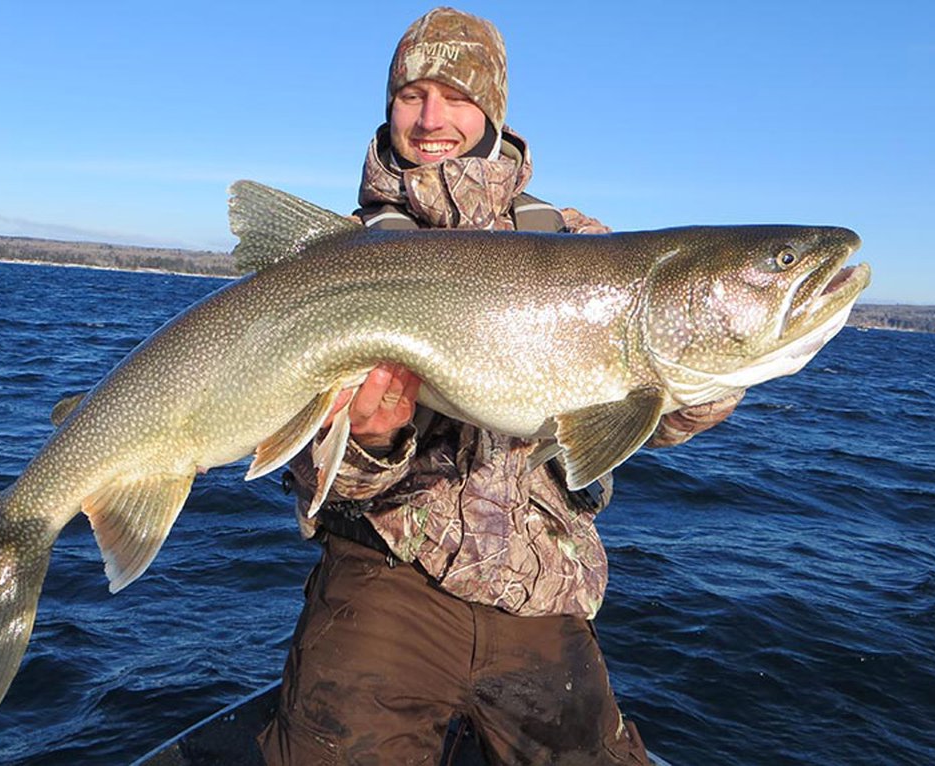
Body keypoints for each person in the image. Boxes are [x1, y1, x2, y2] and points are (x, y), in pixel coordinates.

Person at [258, 8, 743, 765]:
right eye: (410, 95)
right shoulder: (340, 253)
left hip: (540, 590)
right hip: (384, 583)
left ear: (493, 111)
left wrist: (710, 368)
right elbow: (306, 470)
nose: (430, 118)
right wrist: (372, 440)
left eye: (455, 96)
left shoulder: (583, 245)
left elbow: (664, 417)